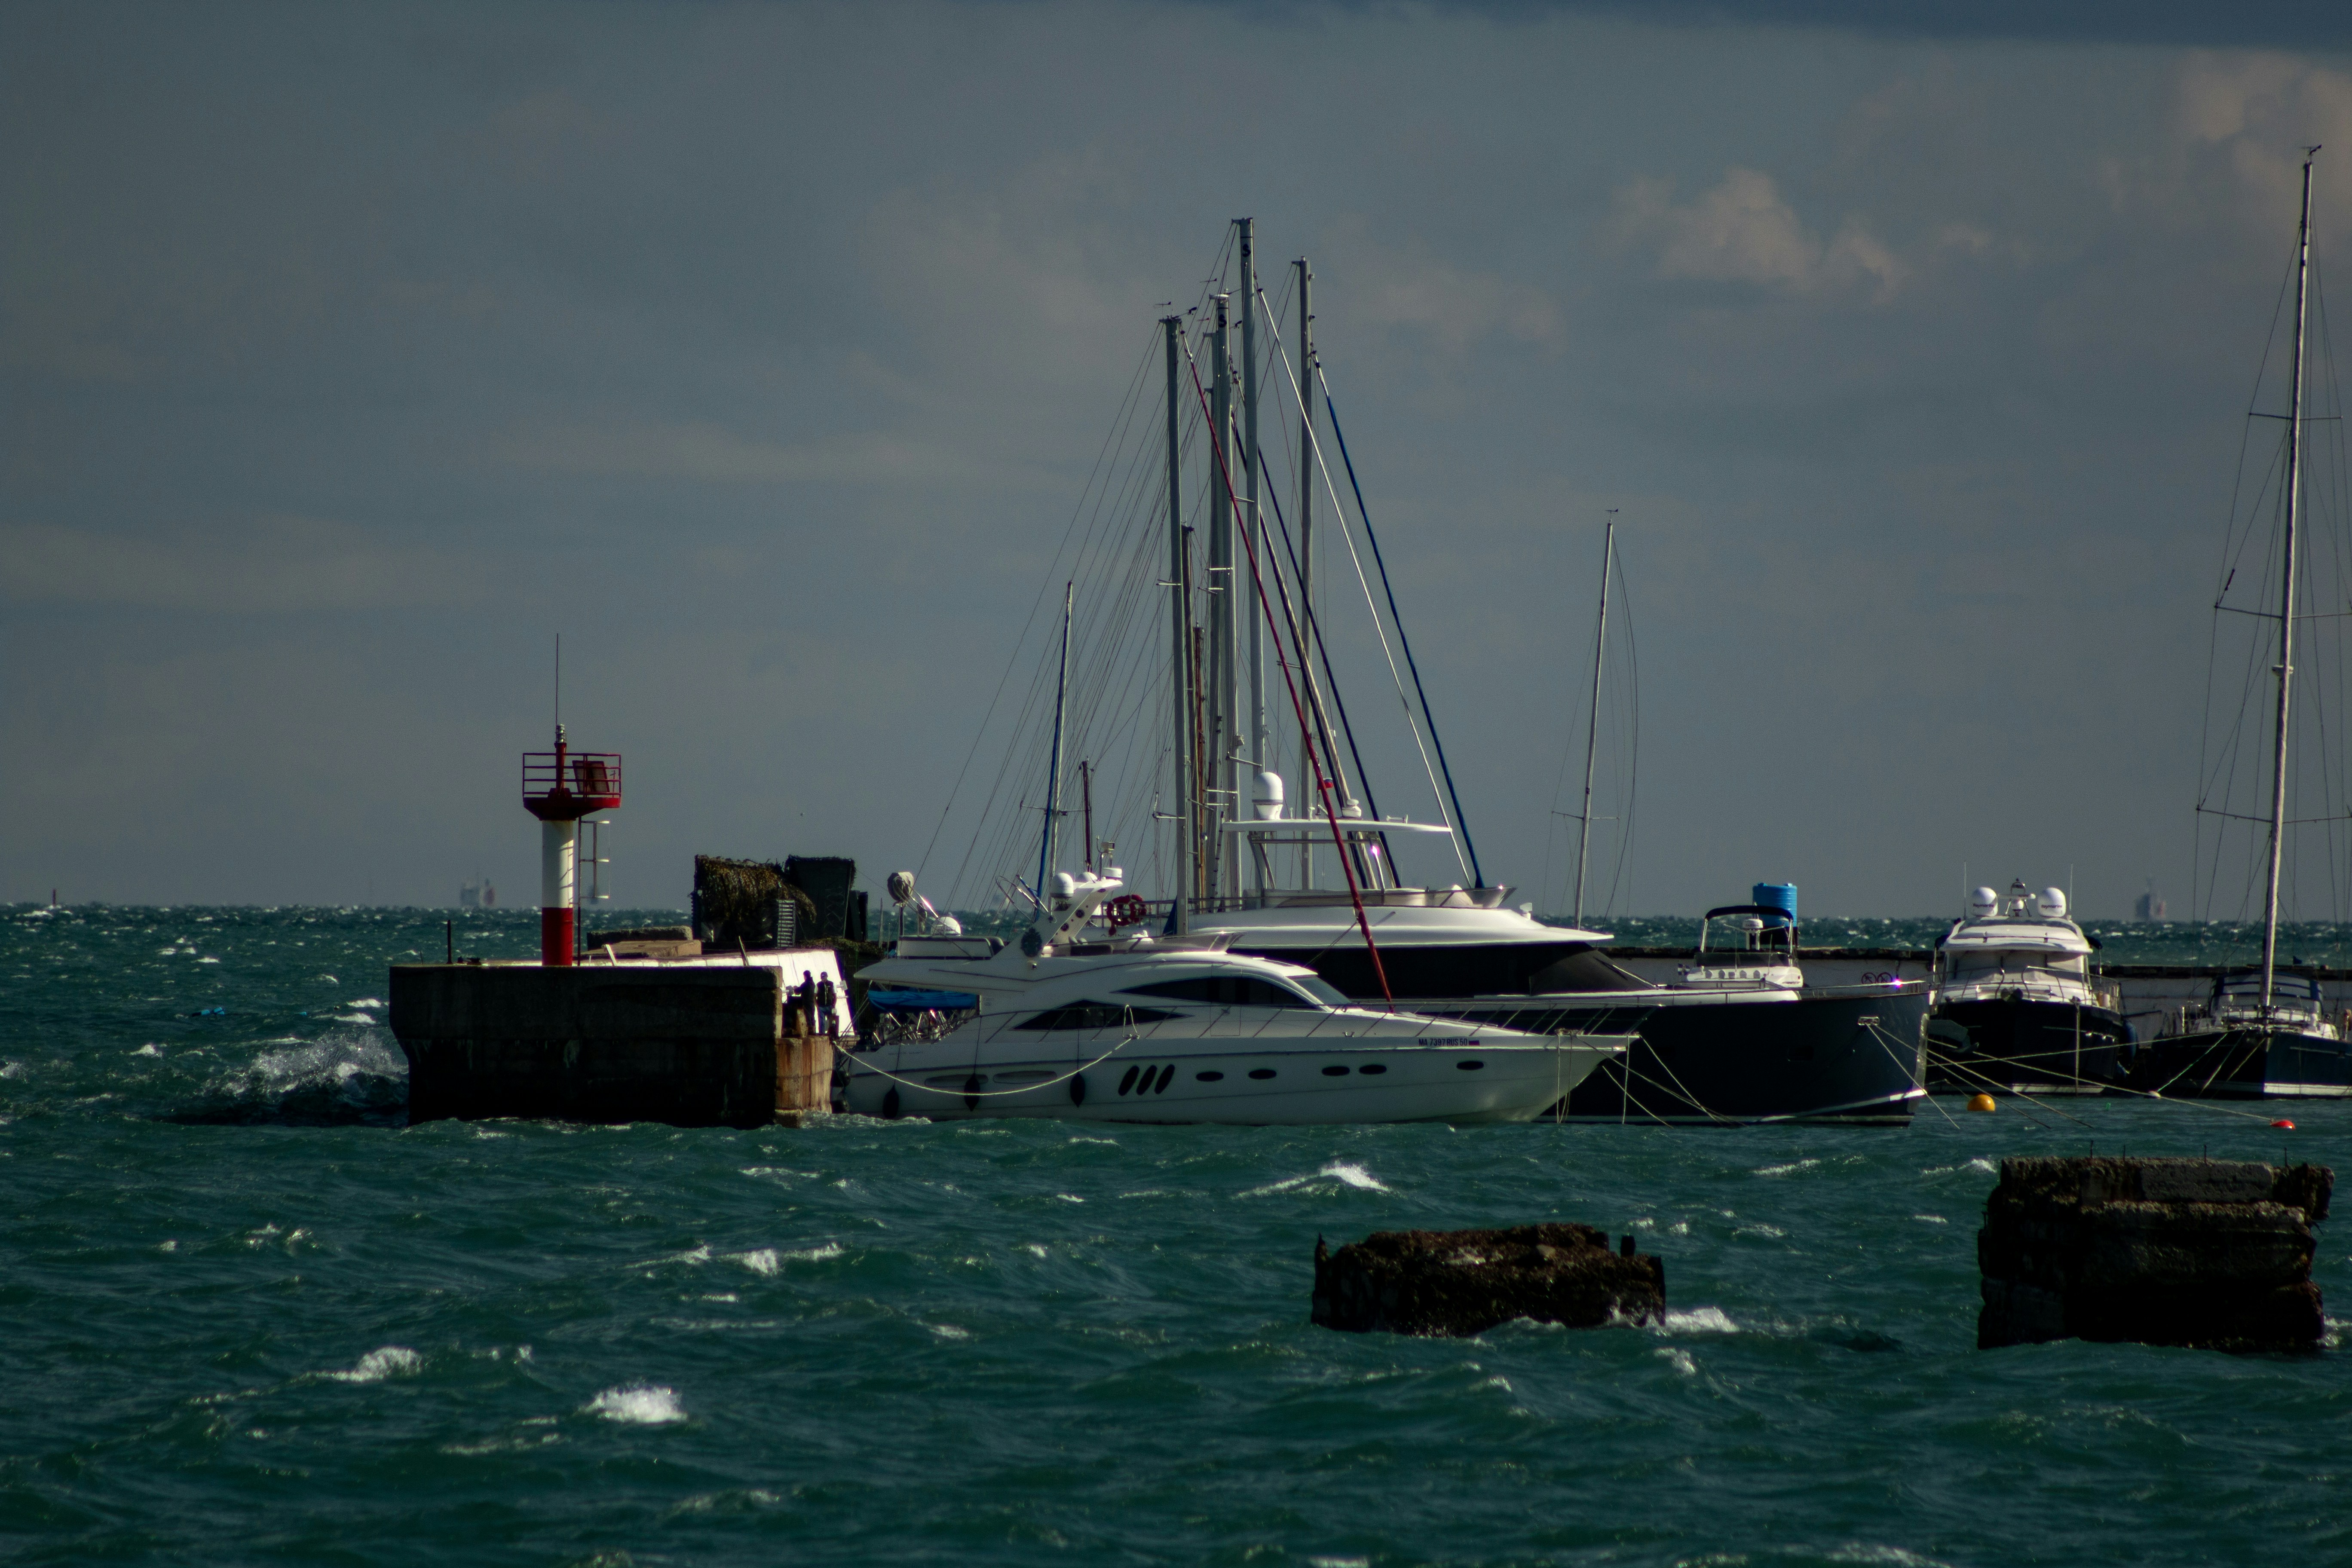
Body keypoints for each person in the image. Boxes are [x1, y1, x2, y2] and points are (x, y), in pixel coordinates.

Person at [816, 974, 838, 1038]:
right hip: (821, 1007)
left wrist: (834, 1005)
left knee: (831, 1021)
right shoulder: (818, 985)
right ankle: (822, 1035)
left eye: (825, 978)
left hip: (830, 1006)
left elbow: (835, 996)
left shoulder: (832, 984)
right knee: (822, 1022)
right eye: (823, 978)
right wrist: (817, 1006)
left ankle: (832, 1035)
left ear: (827, 977)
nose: (824, 979)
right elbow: (815, 996)